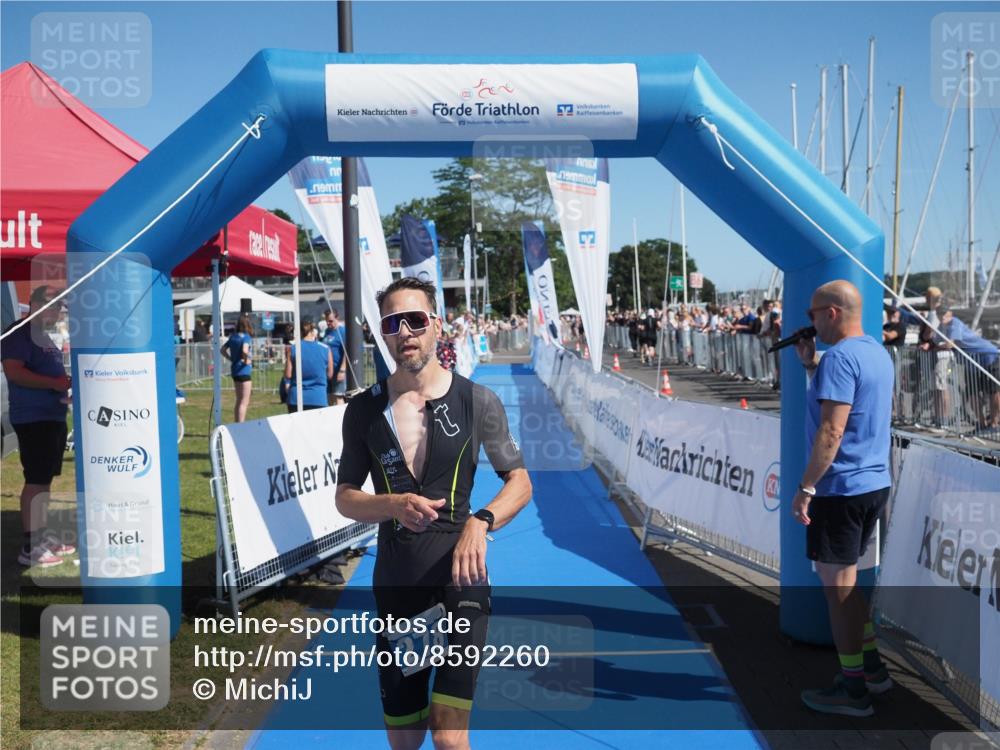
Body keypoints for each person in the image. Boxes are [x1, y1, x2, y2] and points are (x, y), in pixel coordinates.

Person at [335, 277, 532, 750]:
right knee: (405, 739)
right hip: (398, 583)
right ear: (383, 334)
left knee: (448, 733)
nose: (405, 332)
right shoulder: (363, 411)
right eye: (392, 323)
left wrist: (480, 522)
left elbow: (520, 482)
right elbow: (345, 497)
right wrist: (392, 504)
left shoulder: (477, 401)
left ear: (437, 326)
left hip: (461, 581)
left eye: (415, 320)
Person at [792, 280, 894, 717]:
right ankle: (871, 671)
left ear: (831, 313)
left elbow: (832, 431)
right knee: (847, 586)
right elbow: (855, 398)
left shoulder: (839, 359)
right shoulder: (874, 352)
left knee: (838, 593)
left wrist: (806, 487)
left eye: (812, 314)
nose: (810, 323)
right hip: (871, 483)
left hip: (840, 488)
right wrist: (810, 363)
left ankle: (853, 690)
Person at [1, 285, 77, 567]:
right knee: (35, 480)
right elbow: (14, 372)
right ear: (35, 305)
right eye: (53, 305)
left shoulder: (44, 336)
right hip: (33, 419)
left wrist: (64, 384)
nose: (58, 311)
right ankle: (31, 546)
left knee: (44, 480)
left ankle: (41, 537)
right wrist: (54, 383)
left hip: (52, 416)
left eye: (60, 306)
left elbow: (49, 373)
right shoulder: (20, 333)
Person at [939, 307, 1000, 429]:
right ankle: (982, 425)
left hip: (988, 356)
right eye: (939, 314)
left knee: (993, 391)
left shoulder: (955, 324)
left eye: (944, 314)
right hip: (971, 361)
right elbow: (935, 340)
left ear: (950, 314)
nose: (942, 316)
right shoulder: (942, 326)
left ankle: (994, 423)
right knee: (971, 393)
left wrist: (936, 346)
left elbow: (950, 344)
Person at [285, 321, 333, 413]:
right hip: (318, 397)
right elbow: (330, 374)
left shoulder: (293, 348)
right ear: (313, 331)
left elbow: (288, 374)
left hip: (296, 398)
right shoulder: (326, 348)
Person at [221, 315, 254, 423]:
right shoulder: (246, 337)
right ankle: (241, 425)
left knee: (239, 400)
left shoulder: (233, 337)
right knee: (244, 401)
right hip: (244, 370)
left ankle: (237, 423)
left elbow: (222, 350)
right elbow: (245, 350)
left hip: (235, 370)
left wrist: (230, 358)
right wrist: (246, 360)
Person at [323, 309, 348, 405]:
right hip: (328, 371)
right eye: (326, 321)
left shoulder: (343, 331)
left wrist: (342, 370)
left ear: (337, 318)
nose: (328, 323)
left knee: (338, 396)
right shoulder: (327, 331)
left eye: (330, 321)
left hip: (338, 370)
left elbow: (347, 352)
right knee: (329, 396)